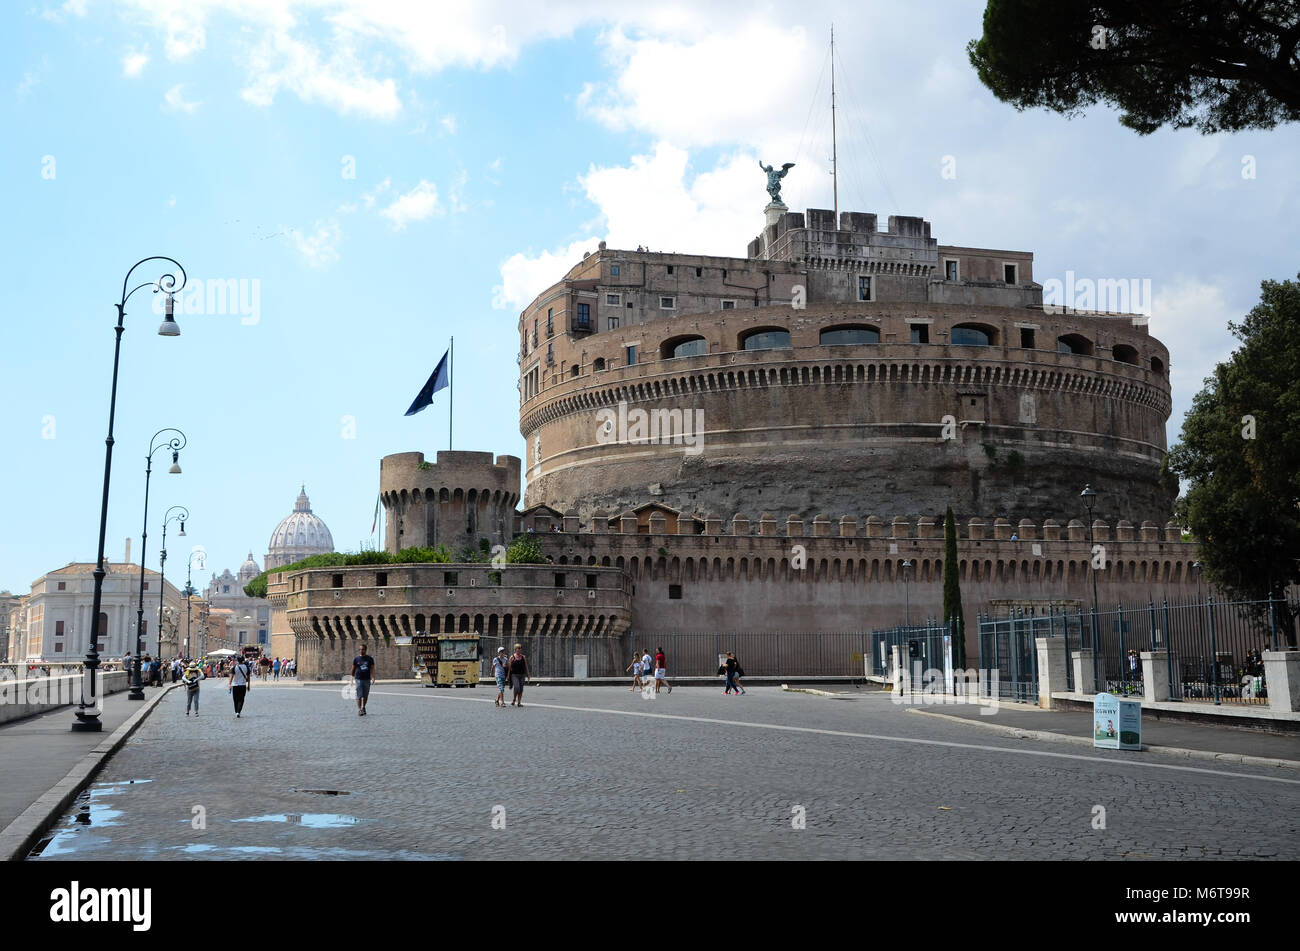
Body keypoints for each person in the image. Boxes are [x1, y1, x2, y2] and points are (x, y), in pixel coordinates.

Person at [351, 643, 375, 716]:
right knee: (359, 695)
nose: (361, 651)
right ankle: (359, 710)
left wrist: (373, 677)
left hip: (367, 679)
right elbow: (353, 669)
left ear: (365, 650)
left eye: (363, 649)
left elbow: (372, 668)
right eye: (360, 649)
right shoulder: (356, 659)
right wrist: (351, 678)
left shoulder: (370, 659)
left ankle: (363, 707)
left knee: (365, 695)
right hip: (358, 679)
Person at [228, 653, 252, 718]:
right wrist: (249, 685)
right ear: (243, 660)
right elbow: (248, 678)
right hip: (243, 685)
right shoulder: (246, 667)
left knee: (235, 699)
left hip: (235, 685)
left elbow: (231, 677)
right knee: (241, 699)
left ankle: (236, 712)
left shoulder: (234, 667)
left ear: (237, 661)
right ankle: (238, 712)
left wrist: (229, 684)